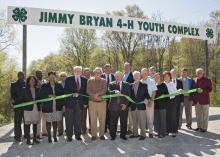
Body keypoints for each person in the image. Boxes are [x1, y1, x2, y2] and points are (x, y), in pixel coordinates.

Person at [64, 66, 88, 141]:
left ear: (81, 72)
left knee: (78, 120)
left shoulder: (84, 80)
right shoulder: (68, 79)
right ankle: (69, 136)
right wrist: (72, 94)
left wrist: (85, 102)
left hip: (80, 104)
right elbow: (65, 91)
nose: (77, 72)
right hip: (70, 103)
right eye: (76, 71)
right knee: (69, 120)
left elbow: (86, 92)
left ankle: (78, 135)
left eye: (79, 71)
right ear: (73, 71)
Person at [40, 71, 64, 143]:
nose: (52, 78)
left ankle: (54, 135)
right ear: (48, 77)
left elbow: (62, 96)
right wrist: (48, 96)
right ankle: (49, 137)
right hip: (48, 107)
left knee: (55, 121)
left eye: (53, 76)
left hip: (57, 106)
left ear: (55, 77)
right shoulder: (44, 86)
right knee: (48, 122)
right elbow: (41, 96)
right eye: (50, 76)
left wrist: (63, 105)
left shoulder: (59, 85)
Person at [108, 71, 131, 140]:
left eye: (119, 76)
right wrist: (114, 91)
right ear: (115, 77)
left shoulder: (127, 84)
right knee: (113, 122)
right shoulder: (111, 84)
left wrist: (125, 104)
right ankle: (113, 135)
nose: (117, 77)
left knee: (123, 122)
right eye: (116, 76)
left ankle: (123, 135)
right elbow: (108, 92)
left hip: (123, 107)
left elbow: (129, 95)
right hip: (113, 107)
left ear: (122, 77)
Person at [87, 67, 107, 140]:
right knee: (93, 119)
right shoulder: (89, 81)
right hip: (92, 103)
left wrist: (97, 94)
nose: (97, 74)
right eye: (96, 72)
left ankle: (101, 134)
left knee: (102, 119)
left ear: (101, 73)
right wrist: (93, 95)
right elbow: (88, 91)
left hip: (102, 103)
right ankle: (94, 135)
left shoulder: (104, 81)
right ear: (94, 73)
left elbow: (104, 90)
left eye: (99, 72)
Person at [130, 71, 150, 140]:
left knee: (142, 122)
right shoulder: (130, 85)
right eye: (135, 76)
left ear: (140, 76)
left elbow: (147, 95)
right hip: (133, 107)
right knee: (134, 121)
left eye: (137, 76)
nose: (136, 77)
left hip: (141, 107)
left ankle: (143, 135)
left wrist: (147, 99)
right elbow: (129, 96)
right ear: (133, 77)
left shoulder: (144, 85)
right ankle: (135, 134)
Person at [190, 68, 212, 132]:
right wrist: (191, 99)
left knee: (205, 115)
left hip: (205, 101)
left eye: (200, 72)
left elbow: (210, 89)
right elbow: (192, 90)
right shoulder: (194, 80)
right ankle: (199, 127)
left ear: (203, 73)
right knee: (198, 115)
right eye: (197, 72)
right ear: (196, 73)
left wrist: (202, 91)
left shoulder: (207, 80)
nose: (199, 73)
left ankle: (204, 128)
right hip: (196, 101)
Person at [21, 76, 40, 145]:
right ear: (28, 81)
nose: (33, 81)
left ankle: (35, 139)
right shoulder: (24, 89)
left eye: (34, 80)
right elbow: (22, 100)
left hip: (36, 108)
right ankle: (28, 140)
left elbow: (40, 99)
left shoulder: (37, 89)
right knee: (27, 125)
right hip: (27, 109)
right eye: (31, 80)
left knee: (35, 124)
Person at [141, 68, 157, 138]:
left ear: (147, 73)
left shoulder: (152, 81)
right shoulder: (140, 81)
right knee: (142, 117)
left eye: (145, 73)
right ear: (141, 73)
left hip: (150, 100)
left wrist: (151, 100)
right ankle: (143, 131)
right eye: (143, 73)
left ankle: (151, 132)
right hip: (141, 102)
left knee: (150, 117)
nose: (144, 74)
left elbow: (154, 91)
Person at [10, 71, 26, 142]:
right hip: (18, 106)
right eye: (20, 75)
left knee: (27, 122)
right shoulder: (13, 84)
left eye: (23, 75)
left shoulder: (27, 83)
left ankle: (26, 135)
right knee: (17, 122)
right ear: (18, 76)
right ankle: (17, 136)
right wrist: (14, 104)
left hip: (26, 106)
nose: (22, 76)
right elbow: (12, 96)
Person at [163, 71, 180, 137]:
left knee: (172, 116)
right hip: (165, 102)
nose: (166, 77)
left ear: (170, 77)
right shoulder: (162, 84)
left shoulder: (172, 83)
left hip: (172, 102)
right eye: (165, 76)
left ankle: (173, 131)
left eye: (168, 76)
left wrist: (179, 91)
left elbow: (176, 92)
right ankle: (167, 131)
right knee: (166, 117)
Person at [154, 73, 169, 138]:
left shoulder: (164, 85)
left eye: (158, 77)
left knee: (162, 120)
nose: (157, 78)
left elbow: (167, 96)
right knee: (157, 120)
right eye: (155, 77)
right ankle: (158, 132)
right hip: (156, 106)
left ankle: (163, 133)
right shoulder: (154, 85)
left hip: (162, 106)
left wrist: (163, 96)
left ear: (160, 78)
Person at [101, 64, 115, 133]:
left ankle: (110, 126)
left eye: (109, 69)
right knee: (104, 113)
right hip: (103, 98)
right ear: (104, 69)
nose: (108, 70)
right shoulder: (101, 76)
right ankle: (104, 127)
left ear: (111, 69)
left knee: (111, 112)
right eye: (106, 69)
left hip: (112, 98)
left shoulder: (114, 76)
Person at [35, 70, 47, 138]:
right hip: (38, 103)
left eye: (40, 73)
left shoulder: (45, 81)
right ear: (36, 74)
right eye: (38, 73)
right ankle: (37, 133)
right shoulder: (34, 81)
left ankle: (45, 132)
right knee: (38, 118)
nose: (40, 74)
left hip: (45, 103)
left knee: (45, 118)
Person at [122, 62, 134, 135]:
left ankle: (130, 129)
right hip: (122, 98)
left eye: (127, 66)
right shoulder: (122, 75)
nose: (126, 68)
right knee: (124, 114)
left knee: (130, 115)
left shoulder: (132, 75)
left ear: (130, 67)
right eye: (125, 66)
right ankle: (124, 128)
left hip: (129, 97)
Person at [81, 68, 91, 134]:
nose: (87, 74)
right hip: (83, 101)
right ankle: (83, 129)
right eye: (86, 73)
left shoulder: (92, 79)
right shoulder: (81, 80)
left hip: (91, 101)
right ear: (83, 73)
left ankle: (91, 129)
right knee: (83, 117)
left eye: (88, 73)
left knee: (91, 116)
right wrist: (84, 102)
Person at [58, 72, 67, 136]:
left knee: (68, 118)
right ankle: (60, 131)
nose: (63, 77)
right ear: (60, 77)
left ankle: (68, 130)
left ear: (66, 77)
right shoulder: (57, 84)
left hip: (67, 104)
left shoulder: (69, 84)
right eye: (61, 76)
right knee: (59, 119)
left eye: (64, 76)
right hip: (59, 104)